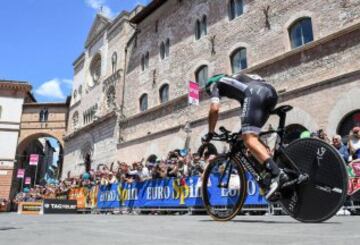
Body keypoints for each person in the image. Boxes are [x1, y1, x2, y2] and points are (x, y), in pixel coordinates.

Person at [203, 73, 288, 200]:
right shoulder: (239, 80)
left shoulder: (215, 83)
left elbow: (214, 109)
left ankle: (277, 174)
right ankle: (270, 176)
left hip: (255, 94)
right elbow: (247, 113)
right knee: (251, 137)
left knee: (249, 139)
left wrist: (210, 132)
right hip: (270, 93)